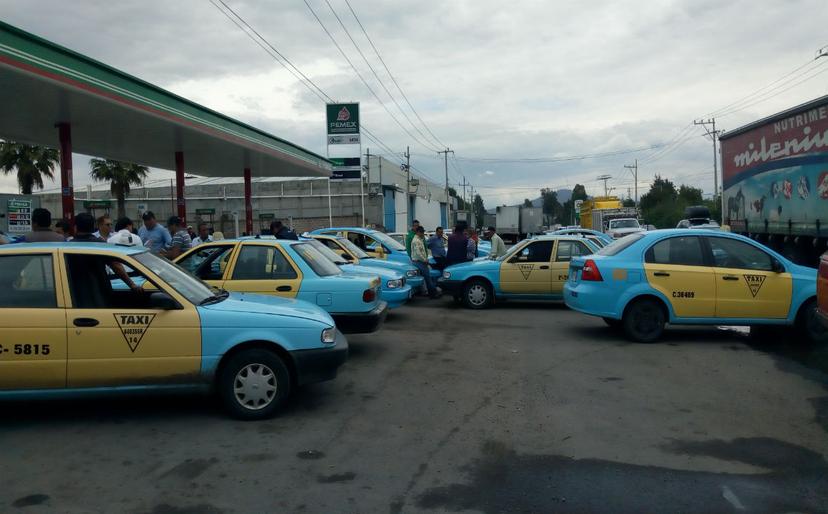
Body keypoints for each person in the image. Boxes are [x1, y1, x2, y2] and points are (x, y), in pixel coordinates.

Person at [411, 226, 439, 298]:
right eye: (422, 232)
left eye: (423, 232)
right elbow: (418, 253)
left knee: (427, 277)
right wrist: (425, 260)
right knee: (428, 277)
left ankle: (430, 292)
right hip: (419, 262)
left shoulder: (419, 239)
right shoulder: (416, 241)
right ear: (418, 232)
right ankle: (433, 294)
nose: (423, 233)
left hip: (419, 261)